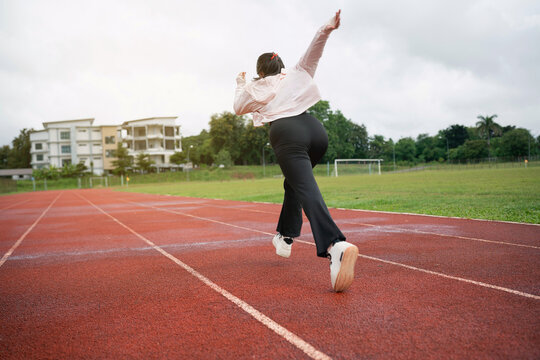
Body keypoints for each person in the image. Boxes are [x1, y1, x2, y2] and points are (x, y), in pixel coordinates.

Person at [234, 10, 358, 292]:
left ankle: (334, 244)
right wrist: (327, 27)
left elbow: (238, 107)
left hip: (287, 134)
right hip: (315, 131)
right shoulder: (298, 71)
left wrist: (242, 83)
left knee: (305, 187)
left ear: (261, 71)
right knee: (295, 183)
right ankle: (286, 236)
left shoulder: (257, 86)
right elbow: (314, 49)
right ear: (282, 66)